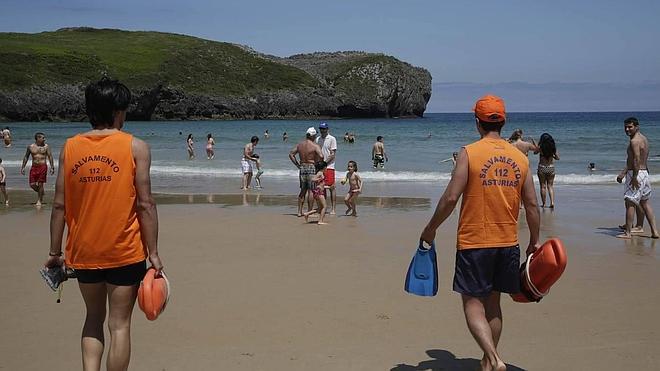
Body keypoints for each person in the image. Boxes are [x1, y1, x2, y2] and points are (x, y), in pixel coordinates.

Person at [46, 77, 164, 371]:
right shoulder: (137, 147)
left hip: (84, 251)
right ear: (117, 111)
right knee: (119, 325)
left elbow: (59, 204)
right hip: (124, 251)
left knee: (93, 318)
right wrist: (154, 252)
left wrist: (54, 251)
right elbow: (146, 204)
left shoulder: (69, 148)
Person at [420, 95, 540, 371]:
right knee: (494, 304)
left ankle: (494, 359)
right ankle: (488, 362)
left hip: (475, 242)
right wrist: (534, 240)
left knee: (473, 303)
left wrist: (430, 229)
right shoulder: (520, 158)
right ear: (504, 121)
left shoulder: (469, 152)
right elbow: (532, 204)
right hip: (508, 242)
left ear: (477, 122)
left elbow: (451, 197)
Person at [616, 117, 658, 239]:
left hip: (636, 173)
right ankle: (654, 232)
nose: (627, 129)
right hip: (644, 173)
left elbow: (636, 159)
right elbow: (640, 159)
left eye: (630, 127)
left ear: (637, 126)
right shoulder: (644, 139)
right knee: (644, 202)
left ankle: (628, 233)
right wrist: (624, 173)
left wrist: (634, 176)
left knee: (630, 202)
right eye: (625, 127)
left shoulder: (634, 141)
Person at [289, 127, 323, 217]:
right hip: (311, 167)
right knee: (311, 191)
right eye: (315, 135)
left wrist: (297, 164)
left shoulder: (300, 145)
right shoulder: (315, 145)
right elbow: (321, 156)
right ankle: (309, 211)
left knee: (303, 190)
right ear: (313, 136)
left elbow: (291, 154)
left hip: (302, 167)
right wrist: (317, 163)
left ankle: (299, 212)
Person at [20, 132, 55, 206]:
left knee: (40, 184)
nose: (44, 139)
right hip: (34, 167)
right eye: (43, 138)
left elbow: (50, 156)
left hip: (43, 167)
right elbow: (26, 156)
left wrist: (52, 167)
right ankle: (41, 192)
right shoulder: (30, 147)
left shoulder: (46, 147)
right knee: (32, 184)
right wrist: (23, 167)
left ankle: (39, 200)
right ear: (38, 138)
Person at [315, 122, 338, 214]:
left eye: (324, 129)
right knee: (321, 187)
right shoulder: (317, 139)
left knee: (331, 187)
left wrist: (324, 163)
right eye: (321, 129)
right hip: (320, 167)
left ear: (327, 129)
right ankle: (323, 207)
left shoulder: (332, 139)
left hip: (329, 166)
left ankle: (333, 208)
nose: (322, 130)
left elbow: (332, 154)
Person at [536, 133, 560, 208]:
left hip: (542, 168)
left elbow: (535, 152)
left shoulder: (541, 148)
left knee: (542, 186)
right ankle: (552, 202)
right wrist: (552, 155)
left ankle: (543, 204)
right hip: (551, 168)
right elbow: (558, 158)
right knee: (550, 186)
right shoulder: (553, 148)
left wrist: (536, 145)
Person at [303, 160, 329, 225]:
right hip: (319, 192)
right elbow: (312, 179)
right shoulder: (320, 173)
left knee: (320, 208)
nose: (327, 169)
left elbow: (321, 185)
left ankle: (307, 214)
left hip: (317, 191)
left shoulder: (321, 173)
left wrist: (328, 187)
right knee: (324, 206)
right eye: (326, 167)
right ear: (324, 167)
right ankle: (320, 221)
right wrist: (318, 179)